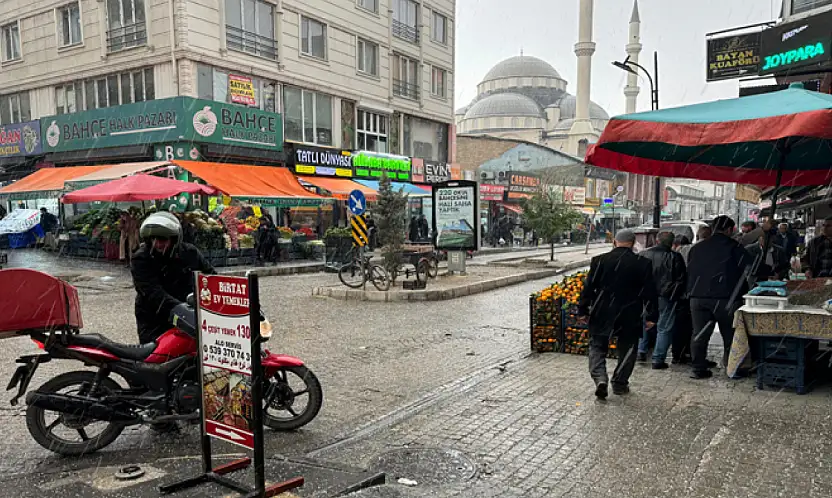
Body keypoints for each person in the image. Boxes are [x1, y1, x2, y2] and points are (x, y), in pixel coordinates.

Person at [578, 229, 658, 399]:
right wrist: (651, 316)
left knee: (597, 346)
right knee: (628, 349)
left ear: (614, 242)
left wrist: (582, 310)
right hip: (630, 313)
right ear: (633, 242)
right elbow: (650, 292)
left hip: (602, 311)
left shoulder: (599, 261)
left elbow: (588, 288)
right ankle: (620, 383)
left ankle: (600, 377)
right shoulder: (642, 263)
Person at [131, 212, 215, 344]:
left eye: (162, 239)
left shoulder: (190, 253)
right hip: (155, 318)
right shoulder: (141, 258)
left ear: (174, 238)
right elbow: (152, 292)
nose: (158, 244)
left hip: (190, 314)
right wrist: (182, 310)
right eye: (153, 239)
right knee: (157, 357)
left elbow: (211, 277)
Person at [686, 216, 753, 379]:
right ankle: (732, 368)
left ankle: (698, 368)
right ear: (730, 230)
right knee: (730, 335)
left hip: (698, 297)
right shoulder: (734, 247)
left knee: (699, 334)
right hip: (726, 298)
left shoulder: (697, 248)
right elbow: (750, 267)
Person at [638, 231, 687, 369]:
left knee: (644, 322)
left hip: (645, 296)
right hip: (666, 297)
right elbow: (681, 279)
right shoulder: (675, 257)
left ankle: (641, 351)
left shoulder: (643, 254)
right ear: (672, 243)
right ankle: (658, 359)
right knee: (664, 327)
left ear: (657, 240)